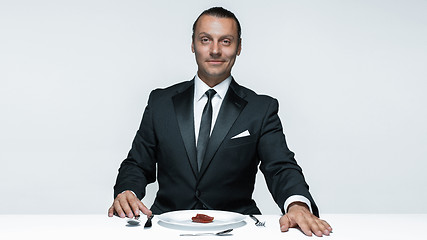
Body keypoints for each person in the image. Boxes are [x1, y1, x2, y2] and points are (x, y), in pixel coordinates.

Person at [108, 7, 332, 237]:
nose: (215, 50)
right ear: (193, 44)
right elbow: (137, 163)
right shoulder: (160, 102)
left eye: (226, 41)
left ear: (239, 47)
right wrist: (128, 191)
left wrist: (297, 205)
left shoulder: (261, 109)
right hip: (167, 227)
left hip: (237, 229)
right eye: (206, 40)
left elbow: (281, 167)